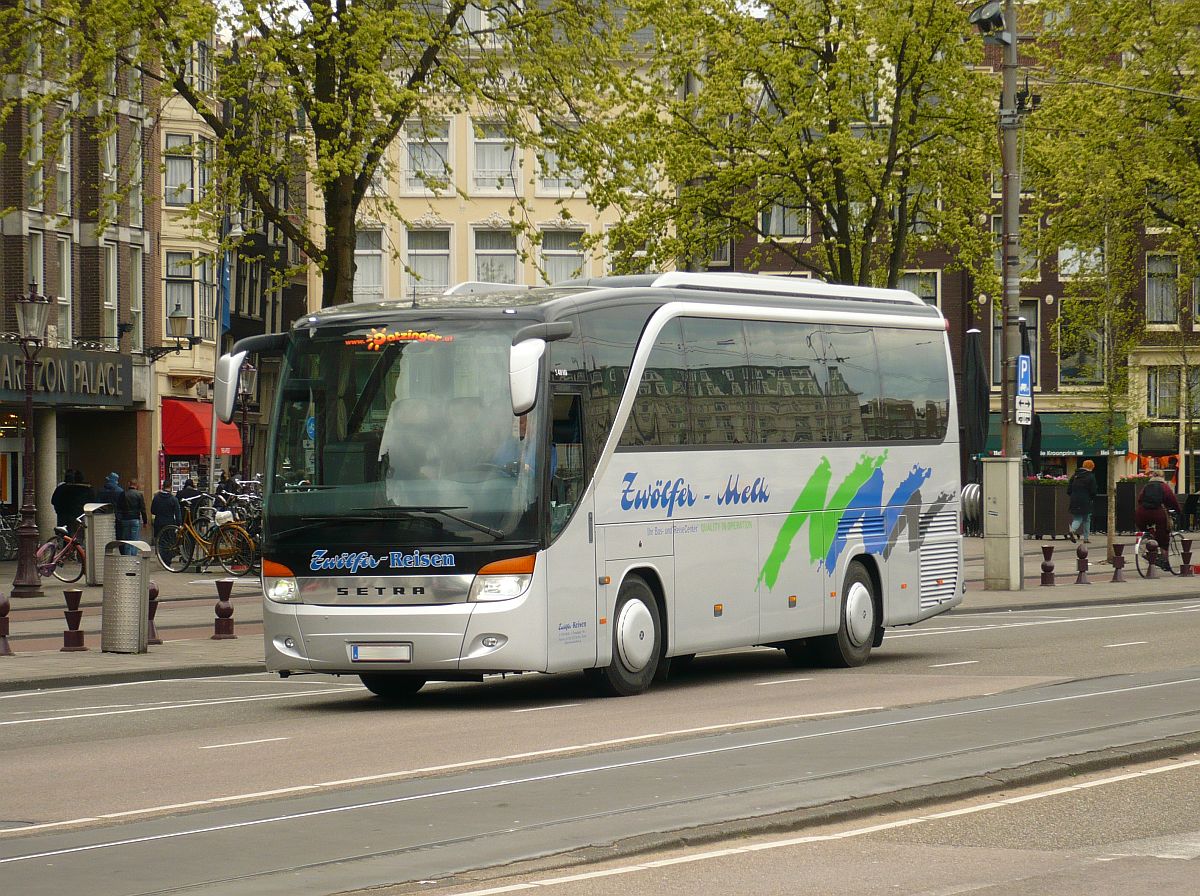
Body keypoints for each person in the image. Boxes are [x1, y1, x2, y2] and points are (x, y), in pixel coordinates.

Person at [1135, 468, 1181, 571]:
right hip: (1157, 513)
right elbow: (1172, 500)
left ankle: (1149, 543)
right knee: (1164, 537)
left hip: (1141, 513)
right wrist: (1178, 511)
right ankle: (1165, 562)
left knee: (1147, 532)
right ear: (1162, 477)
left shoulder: (1146, 486)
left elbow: (1139, 499)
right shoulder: (1164, 487)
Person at [1066, 459, 1098, 543]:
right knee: (1085, 519)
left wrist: (1073, 495)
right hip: (1085, 500)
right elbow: (1093, 490)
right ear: (1092, 467)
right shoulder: (1090, 476)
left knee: (1077, 517)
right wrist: (1091, 498)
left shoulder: (1075, 475)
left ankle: (1073, 530)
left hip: (1074, 499)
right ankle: (1079, 534)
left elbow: (1069, 489)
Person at [117, 478, 148, 554]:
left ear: (129, 484)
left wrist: (119, 518)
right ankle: (133, 557)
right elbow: (143, 509)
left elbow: (119, 507)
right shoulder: (139, 494)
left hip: (125, 519)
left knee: (127, 540)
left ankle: (127, 556)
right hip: (135, 519)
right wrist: (145, 521)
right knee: (134, 540)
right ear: (136, 485)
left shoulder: (123, 494)